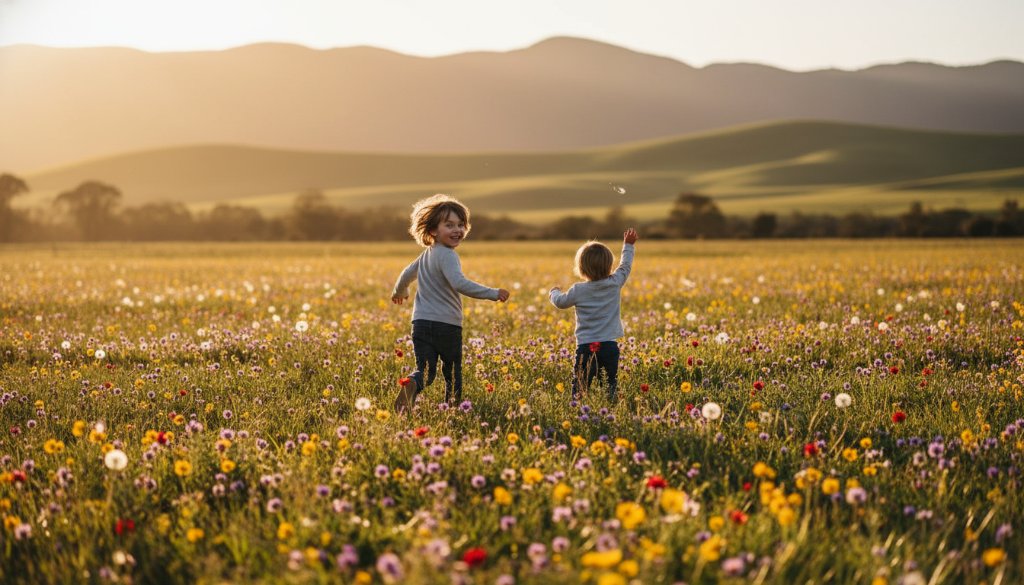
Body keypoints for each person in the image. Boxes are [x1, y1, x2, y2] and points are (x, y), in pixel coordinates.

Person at [391, 194, 510, 411]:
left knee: (425, 372)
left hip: (420, 324)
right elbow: (459, 283)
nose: (457, 230)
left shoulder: (427, 255)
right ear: (433, 231)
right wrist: (492, 293)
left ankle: (412, 384)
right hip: (447, 325)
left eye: (461, 225)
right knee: (452, 372)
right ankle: (453, 409)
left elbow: (406, 273)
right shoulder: (448, 255)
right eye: (449, 225)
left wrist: (400, 291)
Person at [549, 228, 637, 401]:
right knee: (610, 383)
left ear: (581, 268)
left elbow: (560, 302)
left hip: (585, 347)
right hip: (610, 346)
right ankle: (611, 409)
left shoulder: (578, 290)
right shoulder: (615, 282)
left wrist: (553, 292)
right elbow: (625, 265)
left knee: (580, 385)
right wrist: (628, 245)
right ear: (609, 265)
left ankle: (577, 411)